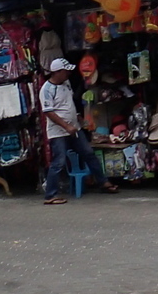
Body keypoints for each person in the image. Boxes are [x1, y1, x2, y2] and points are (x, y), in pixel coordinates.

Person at [39, 58, 116, 204]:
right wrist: (66, 126)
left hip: (74, 128)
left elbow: (69, 103)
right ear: (57, 72)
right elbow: (49, 112)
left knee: (88, 153)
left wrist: (78, 117)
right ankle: (50, 195)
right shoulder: (47, 89)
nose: (68, 73)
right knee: (58, 161)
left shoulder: (66, 83)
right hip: (59, 132)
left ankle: (103, 182)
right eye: (65, 71)